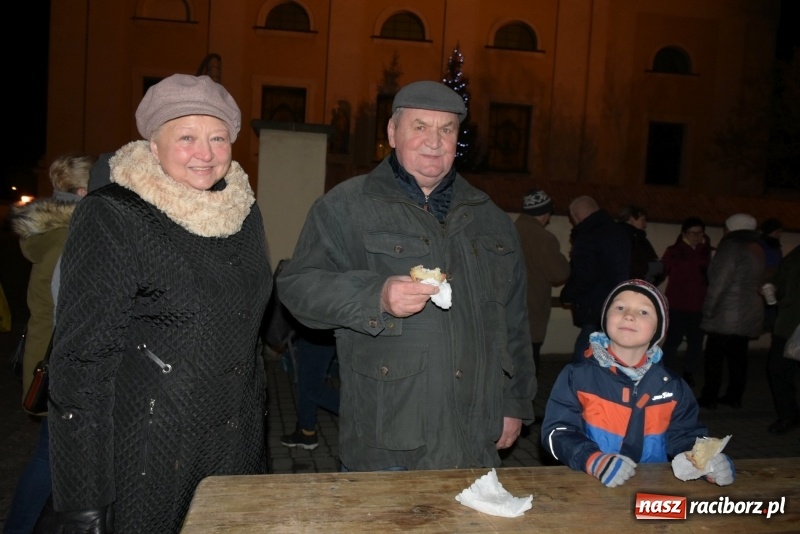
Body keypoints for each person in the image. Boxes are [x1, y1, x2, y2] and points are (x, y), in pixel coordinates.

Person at [43, 74, 272, 534]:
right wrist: (84, 501)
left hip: (237, 444)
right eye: (186, 137)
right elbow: (81, 363)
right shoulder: (115, 215)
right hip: (151, 453)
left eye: (217, 137)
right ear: (153, 144)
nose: (205, 153)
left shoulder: (243, 211)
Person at [276, 80, 536, 471]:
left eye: (446, 129)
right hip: (388, 441)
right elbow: (298, 287)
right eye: (420, 127)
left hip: (474, 439)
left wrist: (515, 402)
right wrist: (375, 296)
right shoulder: (346, 207)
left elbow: (514, 322)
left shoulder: (492, 219)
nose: (434, 141)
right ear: (393, 133)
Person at [541, 279, 734, 488]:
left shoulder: (672, 388)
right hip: (588, 484)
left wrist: (707, 462)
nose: (629, 315)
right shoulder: (577, 377)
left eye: (644, 312)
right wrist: (593, 460)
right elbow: (556, 433)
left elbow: (685, 438)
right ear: (605, 317)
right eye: (620, 307)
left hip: (651, 489)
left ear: (658, 329)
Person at [4, 154, 94, 534]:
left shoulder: (49, 232)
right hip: (62, 360)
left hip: (47, 353)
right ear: (84, 191)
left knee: (56, 455)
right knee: (50, 457)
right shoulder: (74, 234)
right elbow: (73, 305)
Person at [697, 214, 765, 410]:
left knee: (714, 357)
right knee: (738, 357)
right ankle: (734, 395)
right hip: (748, 312)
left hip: (726, 313)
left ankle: (710, 396)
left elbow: (719, 283)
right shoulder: (756, 248)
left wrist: (708, 311)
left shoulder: (730, 247)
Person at [560, 196, 631, 364]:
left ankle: (576, 382)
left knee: (586, 348)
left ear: (576, 216)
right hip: (617, 302)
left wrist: (567, 293)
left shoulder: (587, 236)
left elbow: (585, 275)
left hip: (594, 305)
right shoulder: (619, 231)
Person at [514, 189, 570, 375]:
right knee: (528, 364)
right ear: (545, 213)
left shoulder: (509, 231)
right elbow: (559, 273)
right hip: (531, 310)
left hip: (507, 309)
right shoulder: (544, 239)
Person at [659, 217, 712, 385]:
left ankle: (689, 373)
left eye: (700, 233)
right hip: (677, 304)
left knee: (695, 343)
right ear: (684, 233)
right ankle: (664, 372)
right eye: (692, 233)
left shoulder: (707, 252)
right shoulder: (674, 251)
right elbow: (663, 271)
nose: (696, 236)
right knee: (672, 341)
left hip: (699, 305)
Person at [279, 327, 339, 450]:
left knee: (311, 387)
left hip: (320, 328)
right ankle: (306, 432)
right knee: (305, 379)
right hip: (314, 329)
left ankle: (360, 414)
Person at [765, 244, 800, 434]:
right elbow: (783, 279)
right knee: (778, 369)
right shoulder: (796, 253)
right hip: (788, 324)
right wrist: (771, 287)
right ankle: (789, 415)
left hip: (792, 322)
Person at [617, 205, 663, 284]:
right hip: (633, 285)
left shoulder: (636, 237)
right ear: (631, 219)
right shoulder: (634, 239)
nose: (645, 224)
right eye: (642, 220)